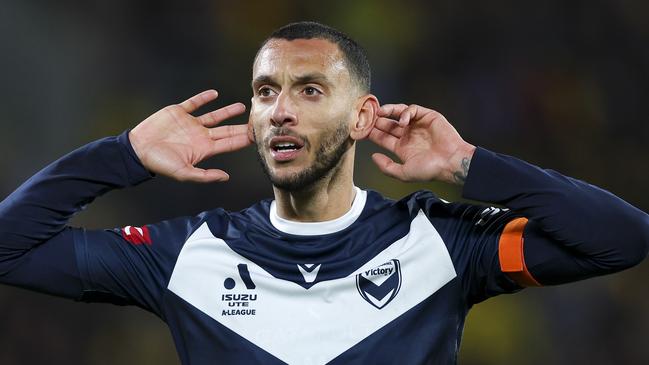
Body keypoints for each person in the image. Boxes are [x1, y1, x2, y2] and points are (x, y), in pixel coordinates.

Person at [0, 21, 647, 365]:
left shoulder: (440, 241)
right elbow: (9, 249)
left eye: (309, 90)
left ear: (361, 118)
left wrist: (467, 165)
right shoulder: (187, 255)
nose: (280, 111)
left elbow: (620, 238)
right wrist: (121, 155)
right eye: (264, 92)